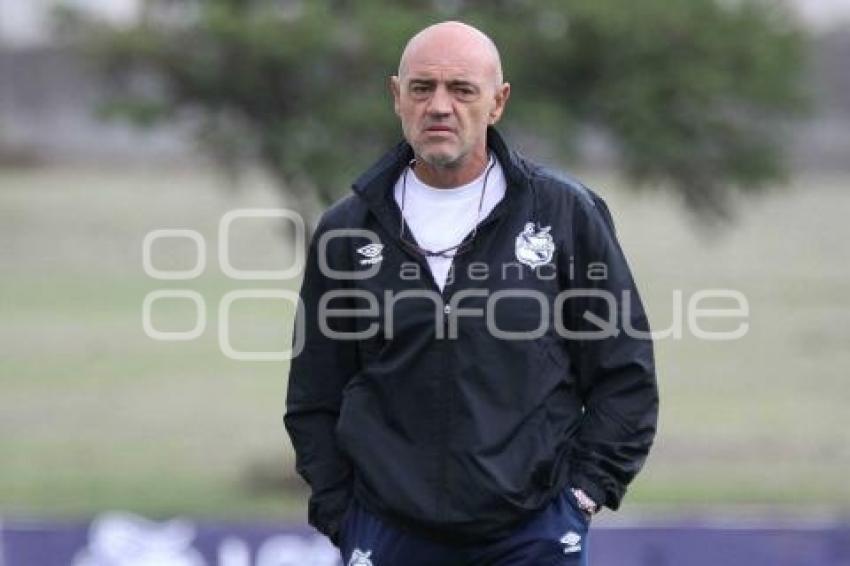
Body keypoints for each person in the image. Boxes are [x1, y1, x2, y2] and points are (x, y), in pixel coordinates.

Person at [284, 21, 658, 565]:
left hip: (533, 534)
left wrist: (581, 495)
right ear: (396, 97)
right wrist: (341, 512)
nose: (439, 106)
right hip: (388, 533)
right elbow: (314, 395)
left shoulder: (563, 214)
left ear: (497, 102)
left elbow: (624, 375)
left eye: (461, 90)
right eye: (422, 88)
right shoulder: (348, 229)